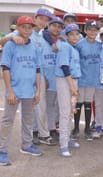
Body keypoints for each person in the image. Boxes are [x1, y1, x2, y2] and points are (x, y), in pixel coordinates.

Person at [0, 16, 42, 166]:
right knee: (7, 121)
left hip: (29, 91)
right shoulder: (11, 46)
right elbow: (5, 68)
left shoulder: (35, 47)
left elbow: (38, 70)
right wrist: (9, 91)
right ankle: (2, 151)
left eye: (29, 27)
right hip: (15, 90)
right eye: (23, 27)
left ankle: (26, 145)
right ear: (17, 28)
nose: (27, 30)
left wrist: (37, 91)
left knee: (28, 120)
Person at [72, 20, 101, 141]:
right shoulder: (79, 44)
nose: (92, 32)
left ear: (97, 31)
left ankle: (88, 128)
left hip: (93, 79)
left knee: (88, 103)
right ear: (85, 30)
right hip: (81, 78)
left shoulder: (100, 45)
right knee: (78, 103)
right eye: (90, 29)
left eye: (95, 30)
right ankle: (76, 128)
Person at [55, 24, 81, 157]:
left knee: (71, 111)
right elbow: (64, 67)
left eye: (77, 34)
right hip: (65, 81)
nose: (75, 36)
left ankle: (68, 138)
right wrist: (72, 86)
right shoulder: (65, 46)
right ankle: (63, 145)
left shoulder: (73, 48)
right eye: (71, 34)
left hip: (73, 80)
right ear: (66, 35)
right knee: (65, 112)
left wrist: (74, 85)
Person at [41, 17, 65, 143]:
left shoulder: (62, 41)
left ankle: (54, 128)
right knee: (47, 106)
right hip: (47, 80)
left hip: (59, 80)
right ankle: (47, 130)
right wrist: (42, 77)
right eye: (54, 25)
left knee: (57, 106)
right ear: (49, 26)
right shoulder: (42, 39)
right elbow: (39, 60)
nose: (56, 28)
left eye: (59, 26)